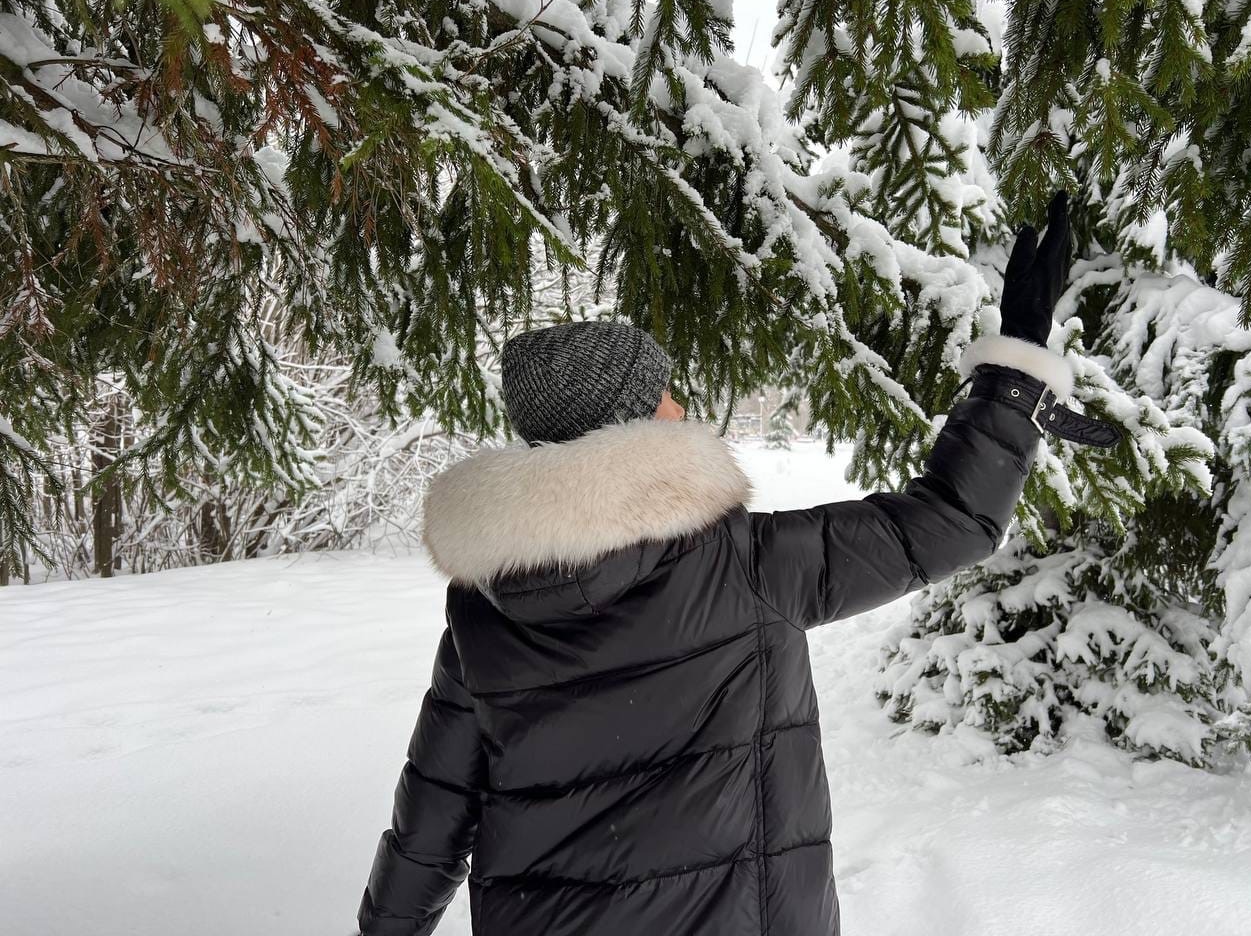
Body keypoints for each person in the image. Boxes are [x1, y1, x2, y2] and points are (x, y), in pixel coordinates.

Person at [355, 191, 1119, 936]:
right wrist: (1015, 365)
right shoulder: (745, 566)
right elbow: (950, 522)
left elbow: (432, 815)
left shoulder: (484, 610)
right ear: (623, 423)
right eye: (661, 395)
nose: (681, 407)